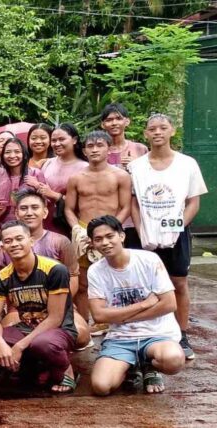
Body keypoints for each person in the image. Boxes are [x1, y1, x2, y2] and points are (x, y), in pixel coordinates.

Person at [0, 221, 79, 393]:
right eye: (8, 241)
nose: (14, 244)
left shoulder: (55, 270)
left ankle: (65, 369)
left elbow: (55, 318)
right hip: (25, 327)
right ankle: (30, 365)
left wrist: (19, 346)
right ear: (3, 247)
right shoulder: (3, 276)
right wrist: (0, 343)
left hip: (57, 330)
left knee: (42, 344)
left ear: (31, 241)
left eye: (19, 239)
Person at [128, 113, 208, 359]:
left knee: (178, 282)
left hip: (176, 233)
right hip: (146, 235)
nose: (158, 132)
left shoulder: (187, 164)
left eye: (163, 128)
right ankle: (144, 335)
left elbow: (193, 202)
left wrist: (175, 226)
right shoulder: (136, 166)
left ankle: (181, 335)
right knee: (144, 285)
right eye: (152, 129)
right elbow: (134, 203)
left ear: (172, 131)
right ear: (146, 134)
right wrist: (142, 232)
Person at [85, 215, 185, 395]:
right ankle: (131, 366)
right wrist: (144, 305)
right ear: (92, 243)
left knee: (174, 360)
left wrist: (120, 317)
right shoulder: (95, 271)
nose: (105, 243)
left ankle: (149, 366)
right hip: (121, 338)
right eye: (98, 239)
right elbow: (99, 316)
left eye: (110, 236)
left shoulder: (148, 260)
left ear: (122, 236)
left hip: (157, 334)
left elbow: (169, 304)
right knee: (101, 387)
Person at [64, 130, 132, 333]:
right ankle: (85, 324)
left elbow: (126, 207)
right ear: (84, 150)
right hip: (84, 233)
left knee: (116, 277)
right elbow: (69, 209)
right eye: (90, 146)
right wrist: (77, 229)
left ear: (109, 148)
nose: (94, 150)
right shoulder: (76, 178)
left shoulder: (120, 176)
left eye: (99, 145)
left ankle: (115, 321)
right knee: (83, 282)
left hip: (110, 231)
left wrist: (112, 229)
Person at [36, 123, 88, 234]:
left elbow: (86, 201)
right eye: (53, 140)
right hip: (45, 221)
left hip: (71, 224)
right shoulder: (48, 163)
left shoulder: (85, 168)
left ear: (74, 140)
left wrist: (54, 195)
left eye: (62, 139)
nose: (57, 144)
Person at [0, 137, 48, 226]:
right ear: (2, 155)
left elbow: (46, 202)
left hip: (30, 225)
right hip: (4, 226)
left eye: (17, 152)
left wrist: (37, 185)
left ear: (24, 154)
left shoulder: (35, 173)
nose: (12, 156)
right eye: (8, 152)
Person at [100, 103, 149, 170]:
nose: (114, 123)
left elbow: (148, 172)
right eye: (109, 120)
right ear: (103, 124)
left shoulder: (140, 149)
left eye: (119, 119)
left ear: (127, 121)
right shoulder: (97, 150)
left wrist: (136, 164)